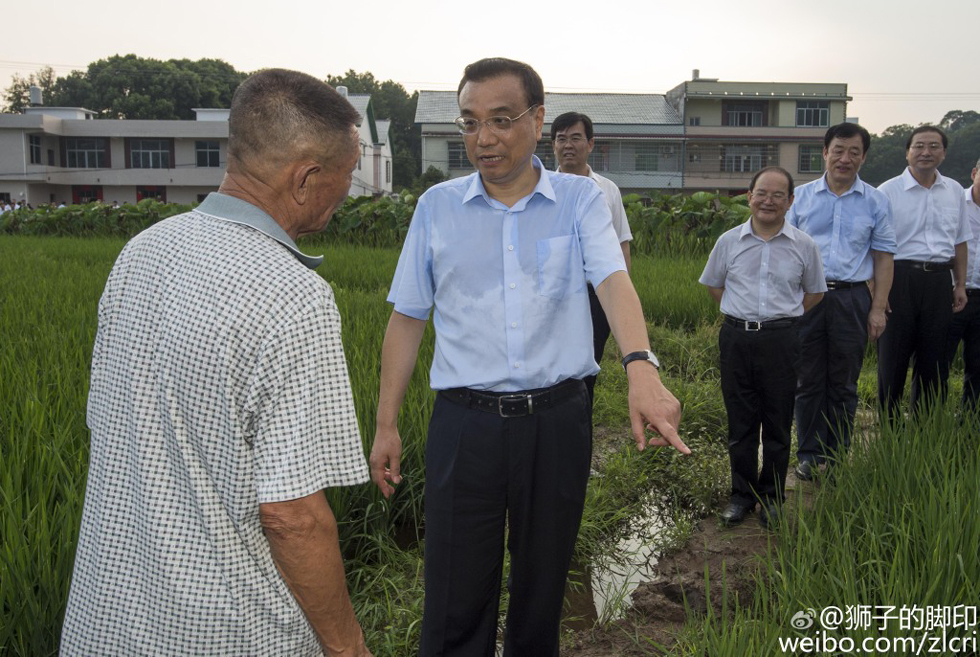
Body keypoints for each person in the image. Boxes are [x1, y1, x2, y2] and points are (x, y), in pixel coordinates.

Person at [369, 57, 689, 656]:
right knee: (453, 597)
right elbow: (408, 316)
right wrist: (386, 423)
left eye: (500, 120)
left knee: (543, 589)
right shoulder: (436, 207)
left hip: (556, 421)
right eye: (469, 122)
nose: (482, 138)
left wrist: (640, 366)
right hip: (465, 424)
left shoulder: (579, 201)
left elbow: (613, 280)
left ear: (537, 120)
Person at [61, 69, 373, 657]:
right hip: (226, 631)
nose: (347, 190)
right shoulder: (293, 295)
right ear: (306, 178)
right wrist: (347, 646)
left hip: (106, 618)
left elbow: (111, 427)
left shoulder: (140, 254)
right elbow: (291, 515)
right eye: (347, 175)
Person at [700, 166, 826, 529]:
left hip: (782, 341)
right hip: (737, 338)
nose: (768, 201)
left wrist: (779, 318)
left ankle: (771, 497)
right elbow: (714, 286)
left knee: (777, 422)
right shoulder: (728, 241)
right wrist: (744, 317)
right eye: (761, 193)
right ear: (750, 196)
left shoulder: (804, 245)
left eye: (777, 195)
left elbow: (814, 293)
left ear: (790, 201)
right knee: (740, 424)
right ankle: (741, 496)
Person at [786, 123, 895, 479]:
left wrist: (878, 308)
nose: (844, 159)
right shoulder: (799, 198)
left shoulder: (876, 201)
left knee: (844, 382)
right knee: (808, 379)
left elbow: (883, 258)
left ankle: (834, 456)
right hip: (806, 300)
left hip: (851, 299)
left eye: (853, 152)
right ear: (825, 152)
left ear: (863, 157)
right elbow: (784, 250)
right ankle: (808, 454)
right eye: (838, 150)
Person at [877, 125, 971, 418]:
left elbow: (960, 241)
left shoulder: (954, 190)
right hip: (898, 277)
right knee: (893, 357)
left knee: (934, 358)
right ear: (907, 152)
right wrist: (879, 292)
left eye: (933, 146)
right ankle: (889, 429)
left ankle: (925, 426)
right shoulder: (887, 191)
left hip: (939, 280)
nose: (926, 152)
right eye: (919, 146)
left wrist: (960, 285)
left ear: (943, 153)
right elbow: (876, 247)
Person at [550, 111, 633, 405]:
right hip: (553, 294)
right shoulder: (541, 190)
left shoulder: (607, 190)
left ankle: (580, 433)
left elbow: (621, 245)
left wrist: (620, 301)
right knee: (552, 369)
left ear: (591, 144)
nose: (568, 145)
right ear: (553, 146)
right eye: (561, 139)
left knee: (588, 369)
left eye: (575, 138)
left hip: (596, 294)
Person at [945, 157, 980, 413]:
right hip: (951, 294)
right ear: (974, 173)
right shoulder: (954, 202)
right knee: (936, 361)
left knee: (978, 366)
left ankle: (969, 422)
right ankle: (930, 419)